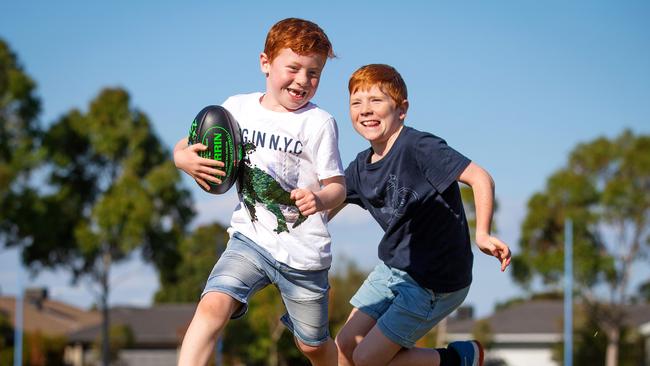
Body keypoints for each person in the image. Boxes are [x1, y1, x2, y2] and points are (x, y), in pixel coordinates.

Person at [173, 18, 345, 366]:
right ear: (265, 63)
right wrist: (181, 159)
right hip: (250, 239)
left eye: (314, 73)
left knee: (312, 346)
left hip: (304, 256)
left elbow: (338, 187)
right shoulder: (237, 108)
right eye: (293, 68)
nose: (303, 80)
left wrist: (320, 199)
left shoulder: (318, 123)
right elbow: (190, 143)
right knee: (212, 305)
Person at [331, 64, 512, 366]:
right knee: (345, 345)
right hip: (394, 270)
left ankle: (456, 359)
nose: (365, 110)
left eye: (376, 100)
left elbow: (481, 178)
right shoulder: (361, 167)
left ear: (401, 109)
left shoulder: (418, 147)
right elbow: (323, 207)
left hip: (435, 281)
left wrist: (482, 233)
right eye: (356, 102)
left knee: (366, 359)